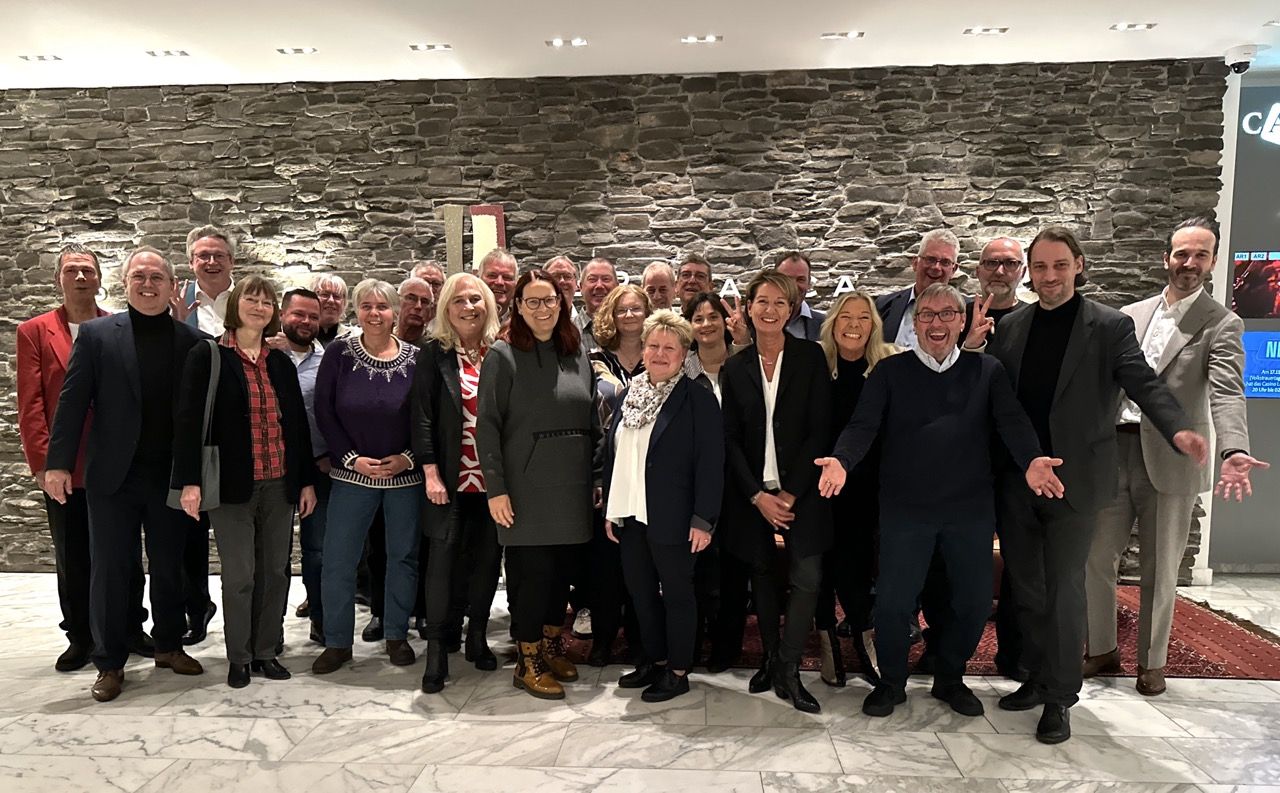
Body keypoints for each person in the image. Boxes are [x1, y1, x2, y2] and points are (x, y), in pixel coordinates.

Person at [965, 226, 1208, 744]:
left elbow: (1143, 381)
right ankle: (1034, 675)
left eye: (1060, 265)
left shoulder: (1108, 326)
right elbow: (1002, 402)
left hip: (1076, 482)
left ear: (1078, 265)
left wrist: (1177, 426)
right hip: (1020, 478)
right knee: (1026, 588)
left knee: (1064, 590)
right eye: (1041, 267)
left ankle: (1060, 698)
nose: (1049, 276)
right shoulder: (1012, 327)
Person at [816, 284, 1064, 718]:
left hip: (968, 510)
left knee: (970, 602)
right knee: (894, 603)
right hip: (905, 509)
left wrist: (1031, 459)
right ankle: (892, 682)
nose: (936, 323)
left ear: (962, 321)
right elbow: (862, 425)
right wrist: (841, 460)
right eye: (927, 315)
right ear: (915, 323)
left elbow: (1012, 421)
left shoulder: (987, 371)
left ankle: (950, 677)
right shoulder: (891, 372)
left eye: (947, 314)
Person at [1085, 217, 1268, 696]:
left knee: (1160, 567)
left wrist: (1235, 448)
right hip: (1114, 450)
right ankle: (1101, 648)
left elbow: (1228, 392)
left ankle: (1152, 662)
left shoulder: (1223, 322)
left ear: (1211, 262)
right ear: (1166, 257)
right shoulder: (1130, 314)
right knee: (1096, 558)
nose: (1189, 263)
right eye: (1181, 254)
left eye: (1200, 255)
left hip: (1173, 457)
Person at [45, 246, 207, 702]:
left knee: (169, 565)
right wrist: (57, 462)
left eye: (157, 277)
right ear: (126, 283)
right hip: (112, 477)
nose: (148, 284)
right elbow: (72, 401)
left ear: (172, 286)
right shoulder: (97, 335)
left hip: (168, 476)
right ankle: (110, 661)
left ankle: (169, 645)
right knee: (111, 570)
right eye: (140, 276)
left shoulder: (190, 342)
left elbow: (194, 418)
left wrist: (192, 476)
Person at [173, 276, 318, 688]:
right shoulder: (209, 356)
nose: (259, 307)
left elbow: (297, 428)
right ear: (236, 306)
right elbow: (187, 423)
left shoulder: (280, 363)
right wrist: (189, 482)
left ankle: (266, 651)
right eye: (251, 299)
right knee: (240, 576)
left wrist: (304, 481)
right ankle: (239, 655)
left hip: (278, 483)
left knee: (275, 571)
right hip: (232, 486)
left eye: (266, 301)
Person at [17, 244, 152, 671]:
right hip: (68, 466)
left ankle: (131, 626)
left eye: (88, 270)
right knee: (74, 553)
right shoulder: (35, 331)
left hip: (116, 461)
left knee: (125, 552)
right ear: (59, 278)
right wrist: (43, 464)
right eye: (72, 270)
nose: (80, 278)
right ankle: (80, 635)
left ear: (99, 278)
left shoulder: (118, 326)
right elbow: (31, 404)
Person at [477, 269, 597, 700]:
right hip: (524, 493)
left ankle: (549, 648)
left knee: (561, 578)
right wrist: (497, 489)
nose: (542, 309)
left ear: (562, 304)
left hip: (572, 488)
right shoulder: (503, 356)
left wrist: (596, 477)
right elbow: (486, 427)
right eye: (533, 301)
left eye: (550, 300)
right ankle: (527, 662)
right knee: (531, 579)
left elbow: (592, 422)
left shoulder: (576, 352)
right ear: (518, 307)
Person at [719, 269, 832, 713]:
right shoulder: (735, 366)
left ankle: (787, 665)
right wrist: (756, 495)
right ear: (748, 307)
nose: (769, 310)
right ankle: (768, 658)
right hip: (752, 494)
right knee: (762, 576)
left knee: (807, 578)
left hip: (800, 491)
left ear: (791, 310)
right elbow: (727, 438)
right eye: (761, 301)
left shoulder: (811, 357)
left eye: (779, 303)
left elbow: (820, 429)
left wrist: (791, 493)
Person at [603, 310, 724, 702]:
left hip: (674, 516)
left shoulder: (698, 399)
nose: (658, 353)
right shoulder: (628, 394)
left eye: (668, 347)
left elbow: (711, 464)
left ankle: (677, 670)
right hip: (631, 514)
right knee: (640, 593)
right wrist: (611, 508)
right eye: (653, 345)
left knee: (677, 595)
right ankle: (653, 661)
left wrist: (704, 519)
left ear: (683, 353)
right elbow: (615, 455)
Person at [312, 279, 423, 673]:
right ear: (355, 311)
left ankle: (396, 635)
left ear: (396, 312)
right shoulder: (339, 354)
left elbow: (425, 418)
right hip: (351, 476)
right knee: (339, 560)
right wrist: (349, 457)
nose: (374, 313)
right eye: (366, 306)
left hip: (403, 478)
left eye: (383, 306)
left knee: (403, 557)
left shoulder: (415, 358)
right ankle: (338, 642)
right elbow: (324, 411)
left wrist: (408, 458)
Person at [411, 273, 505, 693]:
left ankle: (478, 638)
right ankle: (435, 654)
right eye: (459, 301)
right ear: (446, 309)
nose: (469, 307)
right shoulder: (433, 354)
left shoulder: (500, 353)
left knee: (487, 564)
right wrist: (430, 471)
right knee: (442, 568)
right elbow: (423, 417)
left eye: (475, 299)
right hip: (448, 479)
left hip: (493, 482)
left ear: (487, 304)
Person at [813, 291, 900, 687]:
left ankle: (864, 637)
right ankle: (826, 636)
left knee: (858, 565)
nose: (853, 324)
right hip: (817, 483)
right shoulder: (815, 363)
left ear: (873, 325)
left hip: (868, 487)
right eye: (845, 316)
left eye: (862, 318)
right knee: (819, 565)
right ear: (832, 322)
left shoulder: (889, 364)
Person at [172, 225, 237, 645]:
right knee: (187, 536)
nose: (210, 262)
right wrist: (176, 325)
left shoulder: (249, 298)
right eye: (202, 256)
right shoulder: (176, 305)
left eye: (218, 254)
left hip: (236, 436)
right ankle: (197, 609)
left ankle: (249, 622)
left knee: (240, 538)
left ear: (232, 260)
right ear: (192, 261)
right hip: (193, 434)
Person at [587, 284, 652, 664]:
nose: (629, 316)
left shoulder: (661, 355)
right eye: (621, 310)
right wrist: (596, 476)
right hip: (605, 471)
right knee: (604, 564)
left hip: (648, 474)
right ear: (610, 315)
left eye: (636, 309)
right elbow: (586, 420)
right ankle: (603, 637)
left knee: (642, 563)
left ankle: (641, 638)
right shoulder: (593, 359)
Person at [277, 288, 329, 644]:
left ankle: (322, 618)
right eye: (298, 314)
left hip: (319, 467)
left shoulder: (329, 361)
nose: (306, 322)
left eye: (312, 316)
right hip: (273, 468)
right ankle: (270, 629)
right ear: (282, 315)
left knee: (318, 549)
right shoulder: (264, 356)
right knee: (275, 554)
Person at [876, 229, 959, 349]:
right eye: (930, 259)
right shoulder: (884, 305)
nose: (936, 267)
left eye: (945, 262)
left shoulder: (966, 311)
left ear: (954, 270)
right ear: (915, 263)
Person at [681, 291, 732, 401]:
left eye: (713, 317)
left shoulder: (742, 363)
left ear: (725, 321)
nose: (706, 324)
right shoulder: (681, 371)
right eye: (699, 319)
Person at [776, 252, 826, 341]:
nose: (794, 286)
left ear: (809, 283)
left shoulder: (824, 324)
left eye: (801, 280)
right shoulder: (751, 323)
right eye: (787, 279)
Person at [578, 257, 620, 352]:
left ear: (617, 286)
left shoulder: (628, 328)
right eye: (592, 280)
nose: (599, 286)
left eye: (606, 279)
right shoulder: (567, 331)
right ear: (580, 287)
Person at [478, 248, 518, 326]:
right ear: (479, 280)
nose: (499, 282)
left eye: (507, 277)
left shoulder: (524, 326)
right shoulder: (465, 323)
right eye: (492, 276)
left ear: (516, 285)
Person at [312, 274, 353, 347]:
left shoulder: (355, 338)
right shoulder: (301, 336)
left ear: (344, 302)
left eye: (337, 296)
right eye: (325, 295)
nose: (331, 300)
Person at [397, 276, 436, 343]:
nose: (418, 306)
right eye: (411, 299)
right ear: (397, 300)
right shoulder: (382, 338)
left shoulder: (435, 347)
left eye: (424, 302)